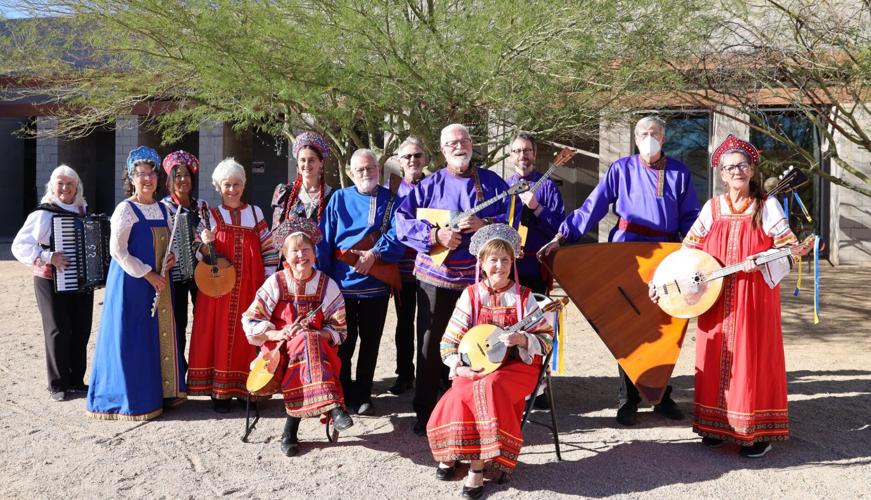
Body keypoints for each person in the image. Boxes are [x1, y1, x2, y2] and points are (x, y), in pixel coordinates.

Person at [652, 135, 807, 458]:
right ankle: (714, 424)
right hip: (716, 297)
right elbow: (689, 249)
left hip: (754, 297)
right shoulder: (712, 208)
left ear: (752, 170)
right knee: (713, 357)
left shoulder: (768, 205)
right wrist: (671, 280)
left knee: (752, 360)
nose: (736, 171)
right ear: (721, 174)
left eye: (742, 165)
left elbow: (791, 247)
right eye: (729, 167)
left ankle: (755, 432)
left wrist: (763, 258)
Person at [540, 115, 700, 426]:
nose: (649, 137)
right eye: (643, 133)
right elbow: (593, 206)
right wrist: (564, 235)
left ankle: (660, 394)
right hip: (626, 252)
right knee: (626, 324)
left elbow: (691, 216)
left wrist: (694, 247)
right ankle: (627, 399)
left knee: (666, 324)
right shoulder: (621, 169)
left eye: (654, 132)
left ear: (663, 138)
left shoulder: (679, 172)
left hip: (666, 254)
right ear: (635, 138)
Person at [396, 123, 515, 435]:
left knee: (476, 345)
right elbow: (401, 222)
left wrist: (484, 223)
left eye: (463, 140)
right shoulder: (429, 184)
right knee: (430, 344)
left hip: (479, 280)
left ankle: (475, 411)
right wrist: (436, 234)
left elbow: (512, 221)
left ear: (472, 143)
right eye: (451, 143)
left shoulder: (492, 182)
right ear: (443, 149)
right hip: (437, 278)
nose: (458, 146)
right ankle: (425, 413)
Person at [427, 224, 552, 500]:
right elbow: (449, 341)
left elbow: (546, 339)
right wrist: (458, 366)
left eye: (505, 259)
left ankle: (477, 465)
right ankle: (454, 452)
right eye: (493, 259)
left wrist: (521, 339)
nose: (500, 265)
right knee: (460, 391)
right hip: (477, 365)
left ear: (513, 262)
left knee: (490, 386)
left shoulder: (524, 297)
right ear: (482, 262)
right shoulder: (470, 295)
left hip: (516, 368)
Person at [87, 146, 185, 420]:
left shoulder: (163, 208)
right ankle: (135, 399)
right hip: (132, 284)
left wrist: (171, 259)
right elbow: (118, 251)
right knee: (134, 338)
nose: (147, 179)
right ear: (131, 178)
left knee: (157, 337)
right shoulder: (125, 209)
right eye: (141, 174)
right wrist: (148, 274)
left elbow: (169, 243)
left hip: (159, 284)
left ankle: (163, 393)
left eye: (151, 173)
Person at [242, 220, 354, 457]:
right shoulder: (276, 282)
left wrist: (316, 333)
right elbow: (250, 320)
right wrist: (278, 332)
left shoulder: (327, 285)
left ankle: (289, 432)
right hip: (279, 350)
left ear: (315, 255)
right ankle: (333, 406)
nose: (301, 256)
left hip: (319, 351)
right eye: (294, 251)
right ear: (285, 256)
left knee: (308, 341)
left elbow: (340, 329)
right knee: (305, 343)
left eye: (306, 250)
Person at [317, 148, 404, 415]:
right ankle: (343, 393)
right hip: (341, 288)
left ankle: (364, 394)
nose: (366, 173)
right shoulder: (338, 199)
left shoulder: (391, 200)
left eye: (371, 168)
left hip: (375, 287)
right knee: (344, 344)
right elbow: (324, 240)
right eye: (361, 170)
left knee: (370, 343)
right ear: (350, 173)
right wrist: (322, 282)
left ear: (378, 169)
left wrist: (375, 253)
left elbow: (398, 234)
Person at [187, 158, 279, 412]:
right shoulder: (211, 217)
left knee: (248, 336)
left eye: (237, 184)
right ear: (218, 187)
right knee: (219, 335)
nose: (232, 189)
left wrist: (269, 282)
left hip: (252, 287)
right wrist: (205, 242)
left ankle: (247, 388)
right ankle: (220, 393)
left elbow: (268, 248)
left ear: (244, 185)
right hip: (219, 291)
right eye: (227, 185)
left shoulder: (256, 213)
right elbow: (198, 254)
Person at [12, 165, 94, 402]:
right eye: (60, 183)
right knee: (57, 329)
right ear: (52, 185)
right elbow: (19, 245)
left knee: (80, 328)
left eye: (70, 183)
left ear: (77, 186)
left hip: (79, 278)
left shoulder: (82, 210)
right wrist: (48, 256)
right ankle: (57, 384)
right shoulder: (43, 213)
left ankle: (76, 380)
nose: (65, 188)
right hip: (48, 278)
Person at [388, 136, 429, 396]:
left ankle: (433, 375)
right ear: (400, 161)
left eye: (417, 155)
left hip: (430, 267)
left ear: (425, 159)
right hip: (402, 271)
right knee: (404, 324)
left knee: (430, 325)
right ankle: (404, 375)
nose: (413, 160)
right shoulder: (391, 192)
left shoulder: (435, 186)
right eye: (407, 157)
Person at [506, 132, 566, 294]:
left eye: (527, 150)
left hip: (536, 266)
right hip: (507, 266)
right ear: (511, 156)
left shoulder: (548, 186)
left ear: (534, 154)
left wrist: (537, 207)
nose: (522, 155)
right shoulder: (504, 187)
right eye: (517, 151)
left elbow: (559, 228)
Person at [160, 150, 202, 380]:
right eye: (177, 175)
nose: (182, 179)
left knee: (203, 321)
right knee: (177, 323)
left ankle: (200, 368)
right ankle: (178, 373)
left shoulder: (202, 206)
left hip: (201, 274)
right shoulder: (162, 208)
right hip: (174, 276)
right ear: (169, 180)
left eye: (186, 175)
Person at [271, 131, 334, 255]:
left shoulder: (333, 196)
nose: (306, 164)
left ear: (321, 163)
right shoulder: (285, 193)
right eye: (302, 160)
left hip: (323, 264)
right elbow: (276, 233)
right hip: (293, 263)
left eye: (311, 160)